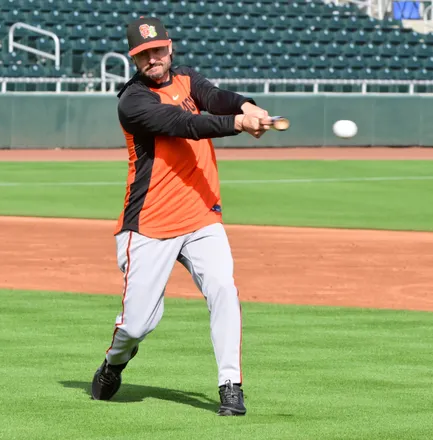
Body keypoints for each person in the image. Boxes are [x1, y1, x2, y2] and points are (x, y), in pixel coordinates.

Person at [90, 16, 275, 417]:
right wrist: (238, 123)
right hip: (150, 225)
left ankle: (231, 384)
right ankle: (114, 362)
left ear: (170, 49)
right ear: (133, 58)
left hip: (202, 216)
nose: (153, 59)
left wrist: (245, 105)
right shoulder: (133, 102)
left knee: (224, 289)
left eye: (158, 50)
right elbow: (186, 124)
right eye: (144, 54)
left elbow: (215, 96)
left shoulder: (187, 79)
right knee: (138, 324)